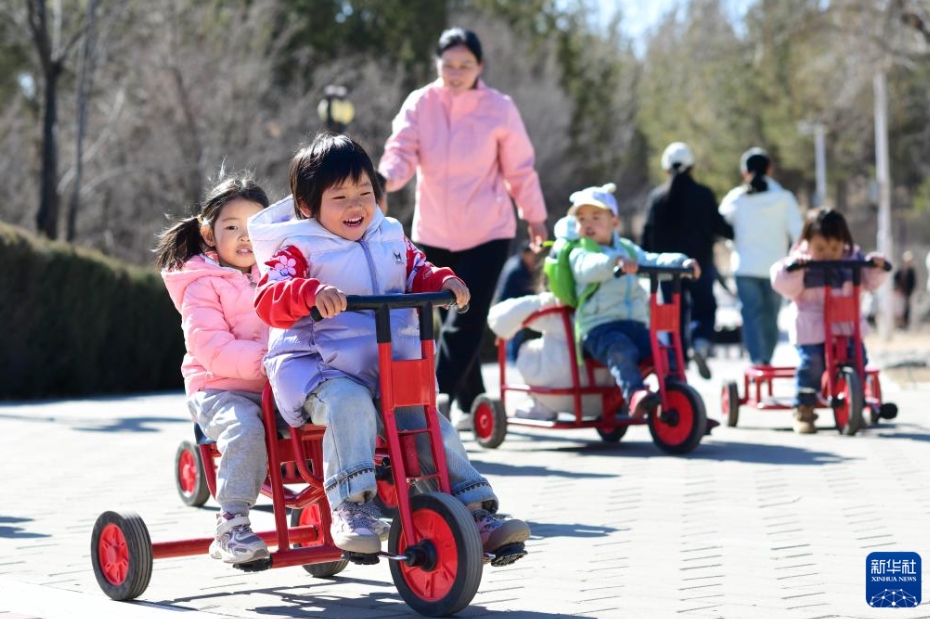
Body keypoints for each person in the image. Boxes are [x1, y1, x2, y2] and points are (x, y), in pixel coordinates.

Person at [248, 133, 530, 558]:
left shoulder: (390, 238)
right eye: (339, 197)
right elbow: (269, 294)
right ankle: (351, 507)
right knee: (350, 403)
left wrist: (442, 281)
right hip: (321, 370)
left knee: (424, 419)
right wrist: (308, 292)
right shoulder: (297, 248)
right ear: (308, 207)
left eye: (364, 193)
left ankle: (473, 510)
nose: (356, 205)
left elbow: (419, 268)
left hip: (385, 368)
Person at [378, 27, 548, 431]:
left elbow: (519, 169)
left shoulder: (499, 108)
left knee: (465, 316)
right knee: (435, 318)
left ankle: (437, 398)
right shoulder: (421, 103)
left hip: (488, 230)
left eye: (464, 65)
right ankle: (473, 400)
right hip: (433, 230)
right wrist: (383, 181)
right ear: (437, 64)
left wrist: (535, 215)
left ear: (480, 67)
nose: (455, 72)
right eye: (448, 64)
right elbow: (401, 151)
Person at [155, 173, 271, 564]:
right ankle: (232, 524)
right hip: (219, 388)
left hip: (275, 384)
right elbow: (210, 347)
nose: (245, 237)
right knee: (246, 429)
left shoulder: (275, 277)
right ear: (209, 234)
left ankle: (343, 506)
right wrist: (269, 363)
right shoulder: (201, 285)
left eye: (255, 227)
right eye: (232, 227)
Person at [566, 183, 699, 419]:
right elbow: (588, 269)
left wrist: (682, 263)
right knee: (621, 349)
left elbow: (652, 260)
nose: (588, 224)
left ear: (614, 222)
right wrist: (613, 263)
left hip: (635, 325)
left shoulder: (627, 249)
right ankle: (635, 394)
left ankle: (681, 402)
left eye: (596, 217)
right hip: (598, 328)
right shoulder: (581, 252)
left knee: (664, 351)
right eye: (582, 218)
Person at [771, 208, 887, 434]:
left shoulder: (852, 259)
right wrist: (794, 269)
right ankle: (804, 407)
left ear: (844, 242)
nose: (827, 254)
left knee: (859, 359)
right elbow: (783, 283)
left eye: (834, 248)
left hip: (847, 326)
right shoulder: (800, 262)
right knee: (813, 363)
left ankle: (855, 405)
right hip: (813, 327)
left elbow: (870, 281)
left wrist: (876, 266)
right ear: (807, 241)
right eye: (820, 248)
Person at [641, 142, 733, 380]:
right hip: (698, 265)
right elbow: (721, 227)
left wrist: (643, 262)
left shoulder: (657, 198)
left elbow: (646, 236)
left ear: (665, 170)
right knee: (705, 309)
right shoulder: (703, 194)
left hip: (666, 269)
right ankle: (700, 343)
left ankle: (675, 366)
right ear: (692, 167)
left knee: (673, 315)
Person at [720, 147, 803, 366]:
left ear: (745, 172)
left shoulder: (736, 198)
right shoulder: (785, 198)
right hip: (776, 270)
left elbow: (720, 225)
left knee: (750, 316)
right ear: (770, 170)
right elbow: (799, 233)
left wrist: (733, 241)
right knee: (770, 318)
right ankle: (766, 358)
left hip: (745, 268)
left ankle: (757, 360)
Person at [487, 291, 612, 421]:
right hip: (605, 395)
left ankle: (542, 406)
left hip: (561, 392)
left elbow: (499, 315)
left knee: (528, 349)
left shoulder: (553, 305)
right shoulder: (610, 301)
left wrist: (506, 330)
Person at [493, 242, 539, 361]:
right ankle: (512, 359)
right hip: (507, 304)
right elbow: (528, 290)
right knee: (514, 332)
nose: (533, 259)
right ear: (525, 254)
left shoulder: (515, 263)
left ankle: (511, 359)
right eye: (531, 255)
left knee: (513, 332)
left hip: (506, 303)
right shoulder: (519, 269)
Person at [892, 251, 916, 329]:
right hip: (900, 294)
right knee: (899, 310)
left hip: (907, 293)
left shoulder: (911, 271)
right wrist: (897, 289)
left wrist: (910, 292)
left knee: (907, 309)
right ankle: (899, 325)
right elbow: (895, 280)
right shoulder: (900, 270)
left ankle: (905, 325)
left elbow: (913, 282)